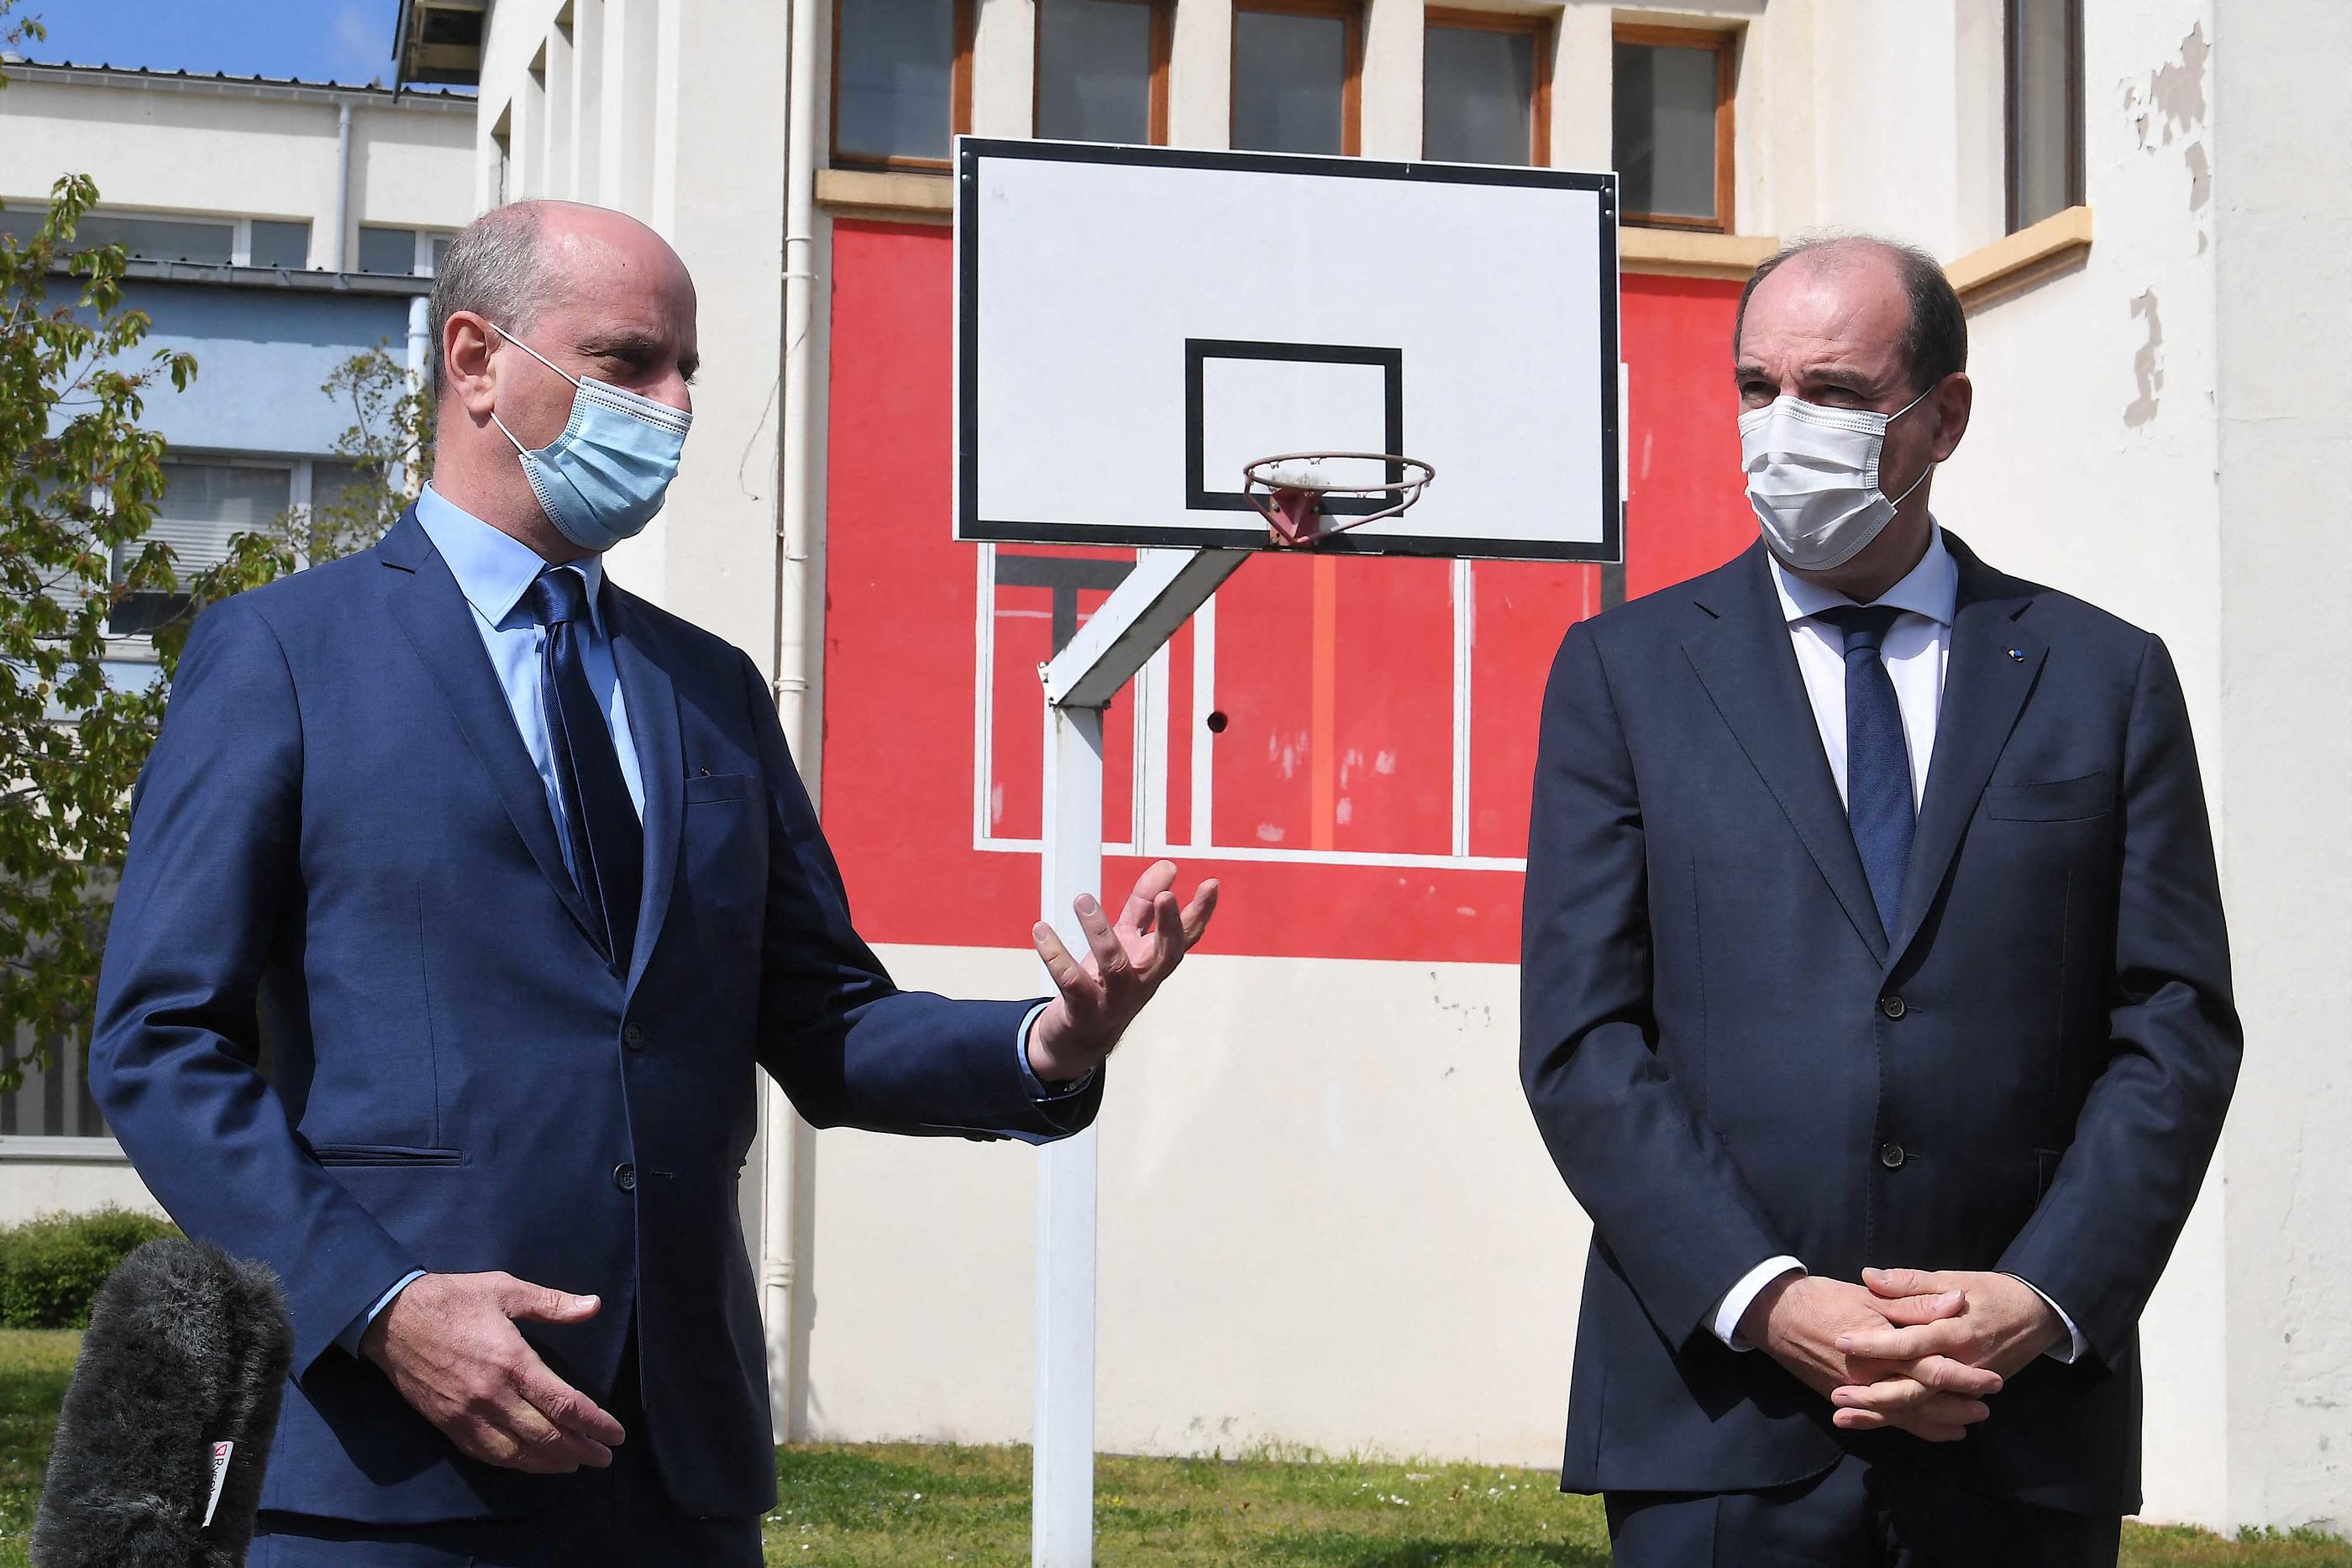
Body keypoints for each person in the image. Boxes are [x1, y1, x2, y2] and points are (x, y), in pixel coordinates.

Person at [88, 199, 1220, 1567]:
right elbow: (160, 1046)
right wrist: (381, 1304)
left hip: (677, 1468)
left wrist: (1049, 1041)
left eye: (690, 371)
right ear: (474, 360)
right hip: (386, 1470)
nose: (678, 409)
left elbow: (826, 1023)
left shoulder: (710, 691)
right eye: (630, 362)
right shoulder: (281, 657)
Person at [1518, 233, 2239, 1565]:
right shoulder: (1624, 675)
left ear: (1943, 416)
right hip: (1719, 1424)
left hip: (2013, 1427)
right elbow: (1584, 1041)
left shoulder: (2103, 679)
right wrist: (1768, 1297)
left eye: (1838, 394)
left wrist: (2038, 1297)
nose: (1785, 429)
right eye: (1756, 386)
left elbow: (2175, 1028)